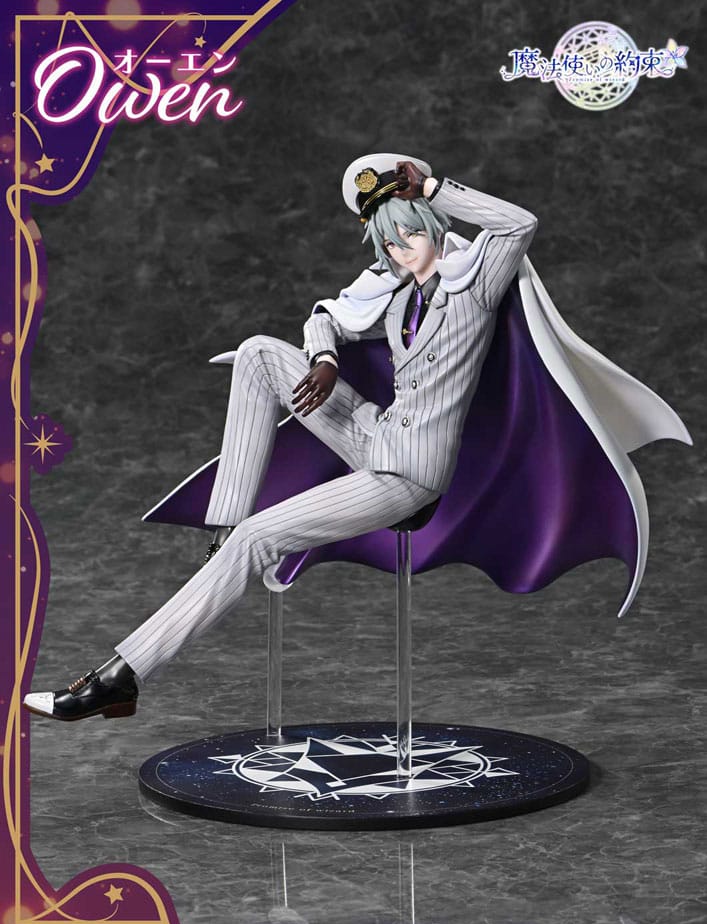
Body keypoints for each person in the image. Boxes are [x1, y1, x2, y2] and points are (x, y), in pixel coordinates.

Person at [22, 152, 689, 722]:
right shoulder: (392, 289)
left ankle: (120, 678)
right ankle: (222, 534)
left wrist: (433, 187)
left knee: (262, 539)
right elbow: (326, 314)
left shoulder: (474, 285)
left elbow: (520, 223)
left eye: (410, 235)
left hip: (409, 475)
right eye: (388, 243)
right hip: (373, 434)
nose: (401, 251)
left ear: (432, 224)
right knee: (258, 353)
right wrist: (324, 358)